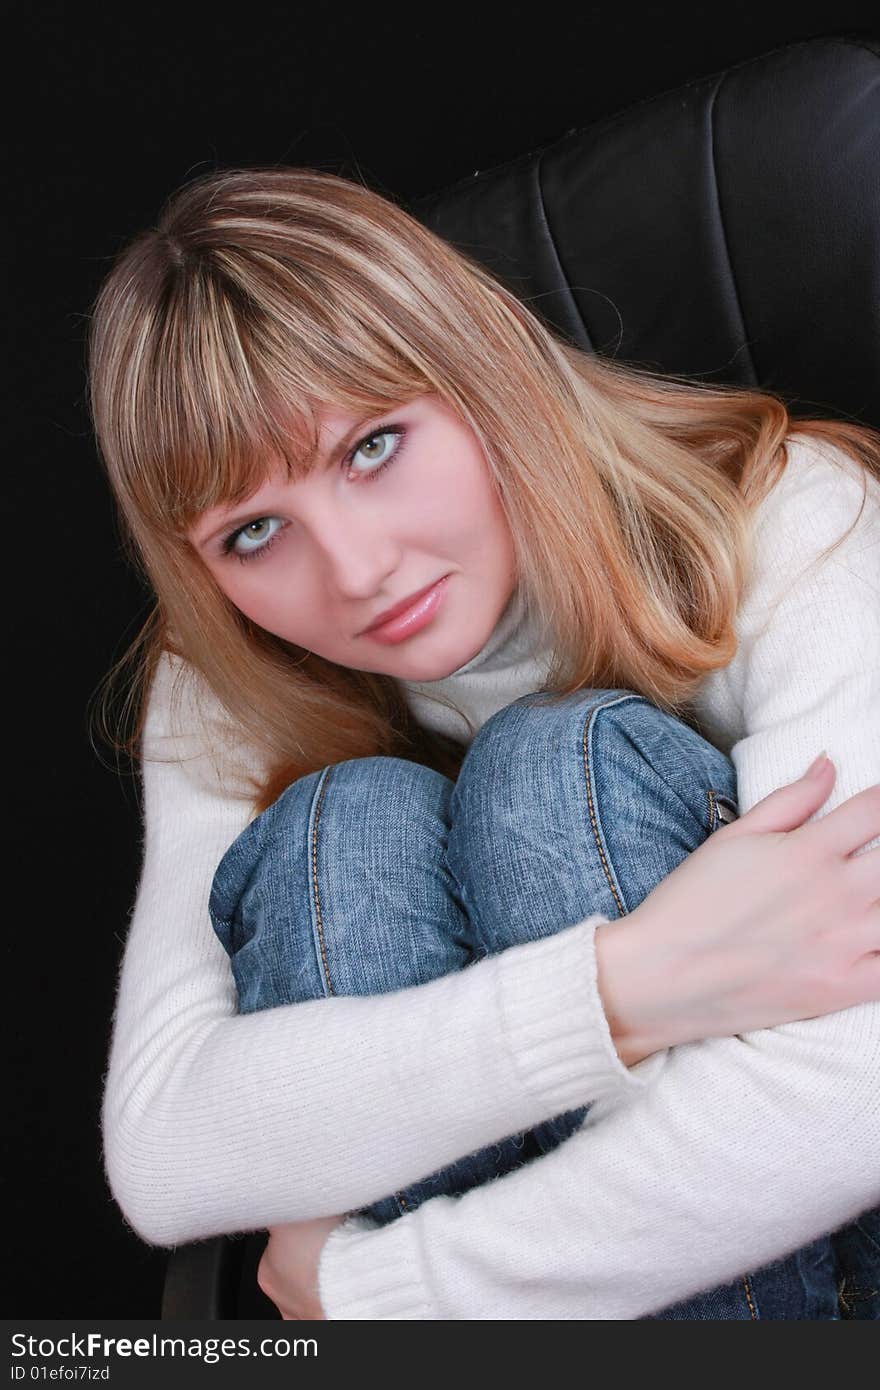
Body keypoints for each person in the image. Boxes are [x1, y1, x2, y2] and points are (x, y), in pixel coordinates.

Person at [89, 166, 880, 1320]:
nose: (357, 572)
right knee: (337, 824)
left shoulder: (786, 516)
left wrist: (389, 1293)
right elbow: (166, 1159)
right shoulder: (220, 677)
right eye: (255, 531)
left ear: (485, 370)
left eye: (373, 447)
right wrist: (619, 990)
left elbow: (859, 1086)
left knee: (550, 770)